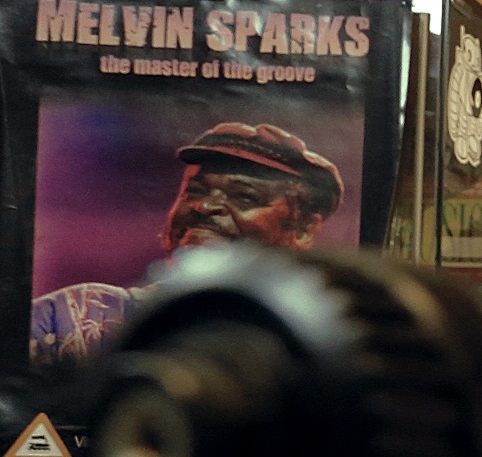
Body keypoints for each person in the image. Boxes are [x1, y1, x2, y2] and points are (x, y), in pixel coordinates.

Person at [30, 122, 344, 363]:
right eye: (195, 191)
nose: (204, 206)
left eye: (244, 197)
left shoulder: (324, 346)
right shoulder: (72, 318)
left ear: (304, 230)